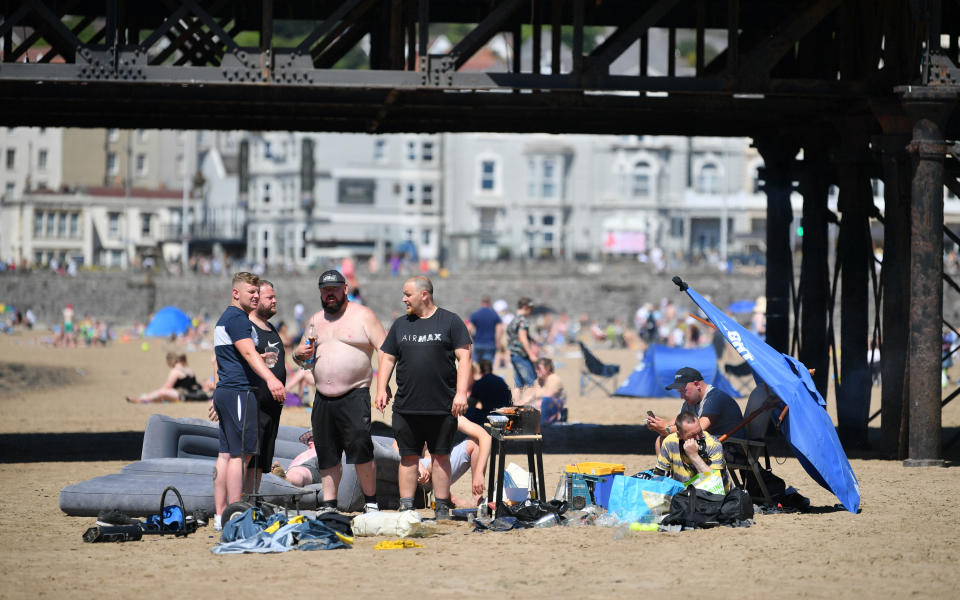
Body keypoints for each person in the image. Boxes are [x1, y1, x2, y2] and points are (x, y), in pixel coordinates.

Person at [376, 276, 472, 519]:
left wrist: (461, 393)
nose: (403, 298)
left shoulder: (450, 321)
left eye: (408, 294)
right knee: (408, 457)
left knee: (441, 456)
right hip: (407, 406)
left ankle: (441, 507)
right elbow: (387, 357)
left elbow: (465, 358)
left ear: (424, 295)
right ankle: (407, 506)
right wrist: (381, 387)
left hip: (442, 406)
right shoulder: (401, 325)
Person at [293, 269, 387, 514]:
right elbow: (304, 359)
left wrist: (382, 386)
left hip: (355, 394)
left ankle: (371, 502)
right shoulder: (315, 321)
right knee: (326, 453)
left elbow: (385, 351)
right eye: (325, 291)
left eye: (334, 289)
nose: (329, 294)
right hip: (323, 397)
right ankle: (329, 504)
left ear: (345, 288)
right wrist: (297, 355)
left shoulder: (363, 316)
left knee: (361, 449)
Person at [210, 272, 285, 531]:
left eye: (257, 292)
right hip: (240, 391)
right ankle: (235, 513)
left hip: (227, 391)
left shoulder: (227, 319)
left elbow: (233, 356)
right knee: (239, 457)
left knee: (225, 455)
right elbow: (246, 352)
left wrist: (257, 359)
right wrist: (272, 380)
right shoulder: (239, 319)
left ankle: (221, 515)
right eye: (250, 292)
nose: (254, 296)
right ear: (235, 293)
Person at [647, 366, 744, 455]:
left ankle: (673, 473)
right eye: (679, 392)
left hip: (734, 448)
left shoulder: (715, 398)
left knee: (684, 445)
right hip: (714, 445)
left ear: (697, 384)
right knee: (662, 439)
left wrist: (667, 429)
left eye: (683, 391)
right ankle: (665, 473)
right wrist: (658, 425)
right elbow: (674, 424)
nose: (681, 397)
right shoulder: (691, 401)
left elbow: (699, 428)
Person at [248, 279, 286, 491]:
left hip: (272, 407)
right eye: (269, 297)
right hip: (253, 403)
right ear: (256, 300)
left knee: (262, 462)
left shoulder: (270, 327)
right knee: (248, 457)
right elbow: (224, 360)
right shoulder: (248, 327)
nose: (274, 301)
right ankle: (240, 502)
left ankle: (252, 500)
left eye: (274, 296)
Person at [415, 417, 491, 508]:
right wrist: (418, 464)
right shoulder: (416, 408)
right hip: (419, 465)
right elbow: (396, 446)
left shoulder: (447, 410)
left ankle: (477, 499)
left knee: (475, 443)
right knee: (436, 461)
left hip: (443, 462)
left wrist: (479, 473)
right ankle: (445, 495)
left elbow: (485, 437)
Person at [653, 411, 728, 487]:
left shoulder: (713, 445)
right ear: (679, 435)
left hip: (713, 495)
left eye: (700, 432)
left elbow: (715, 483)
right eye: (693, 435)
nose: (699, 438)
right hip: (683, 494)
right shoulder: (670, 442)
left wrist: (694, 456)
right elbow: (659, 476)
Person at [126, 352, 206, 403]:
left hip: (182, 395)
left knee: (162, 392)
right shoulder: (187, 369)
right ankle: (146, 398)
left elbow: (167, 387)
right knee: (162, 394)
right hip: (192, 393)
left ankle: (141, 400)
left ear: (169, 362)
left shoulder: (175, 371)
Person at [519, 357, 567, 425]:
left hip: (555, 413)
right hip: (541, 411)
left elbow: (546, 400)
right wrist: (519, 404)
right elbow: (529, 397)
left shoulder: (554, 380)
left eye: (539, 368)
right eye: (535, 368)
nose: (536, 371)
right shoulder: (538, 381)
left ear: (548, 368)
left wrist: (529, 406)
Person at [464, 359, 511, 426]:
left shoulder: (479, 383)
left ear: (480, 369)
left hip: (488, 416)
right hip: (504, 415)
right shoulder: (501, 380)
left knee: (469, 412)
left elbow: (472, 402)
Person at [506, 297, 538, 393]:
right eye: (530, 309)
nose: (531, 311)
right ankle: (533, 406)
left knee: (518, 385)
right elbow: (523, 338)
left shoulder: (513, 320)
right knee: (532, 383)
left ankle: (516, 405)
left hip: (514, 355)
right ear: (525, 307)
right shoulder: (523, 321)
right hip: (522, 355)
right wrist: (531, 354)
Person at [467, 296, 503, 363]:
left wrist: (473, 338)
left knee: (477, 366)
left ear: (481, 303)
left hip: (478, 343)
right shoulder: (494, 314)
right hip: (490, 343)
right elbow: (499, 330)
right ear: (489, 303)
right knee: (487, 366)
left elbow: (469, 328)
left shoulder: (475, 314)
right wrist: (498, 342)